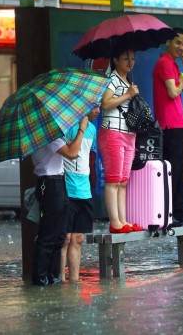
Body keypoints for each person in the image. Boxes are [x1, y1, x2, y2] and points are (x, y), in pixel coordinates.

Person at [152, 27, 183, 226]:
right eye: (178, 43)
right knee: (171, 170)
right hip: (168, 124)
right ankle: (169, 213)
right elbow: (174, 92)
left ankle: (179, 211)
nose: (181, 47)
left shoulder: (175, 64)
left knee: (181, 170)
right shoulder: (164, 63)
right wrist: (180, 81)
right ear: (168, 43)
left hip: (178, 123)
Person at [31, 117, 89, 286]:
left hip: (57, 182)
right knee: (49, 234)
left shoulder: (51, 135)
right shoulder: (46, 135)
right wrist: (81, 129)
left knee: (59, 235)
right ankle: (41, 277)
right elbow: (72, 153)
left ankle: (53, 276)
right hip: (50, 184)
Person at [98, 46, 144, 234]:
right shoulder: (111, 79)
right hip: (112, 133)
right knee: (113, 179)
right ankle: (114, 222)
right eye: (126, 58)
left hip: (128, 134)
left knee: (123, 180)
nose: (130, 62)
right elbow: (105, 103)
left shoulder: (128, 81)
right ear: (115, 60)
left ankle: (123, 220)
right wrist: (127, 95)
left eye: (132, 58)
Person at [60, 106, 99, 282]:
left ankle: (74, 282)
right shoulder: (65, 126)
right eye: (94, 106)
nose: (98, 110)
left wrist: (93, 184)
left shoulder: (93, 129)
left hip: (84, 191)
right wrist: (81, 127)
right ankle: (60, 281)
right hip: (66, 188)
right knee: (65, 238)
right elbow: (70, 154)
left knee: (78, 238)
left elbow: (91, 157)